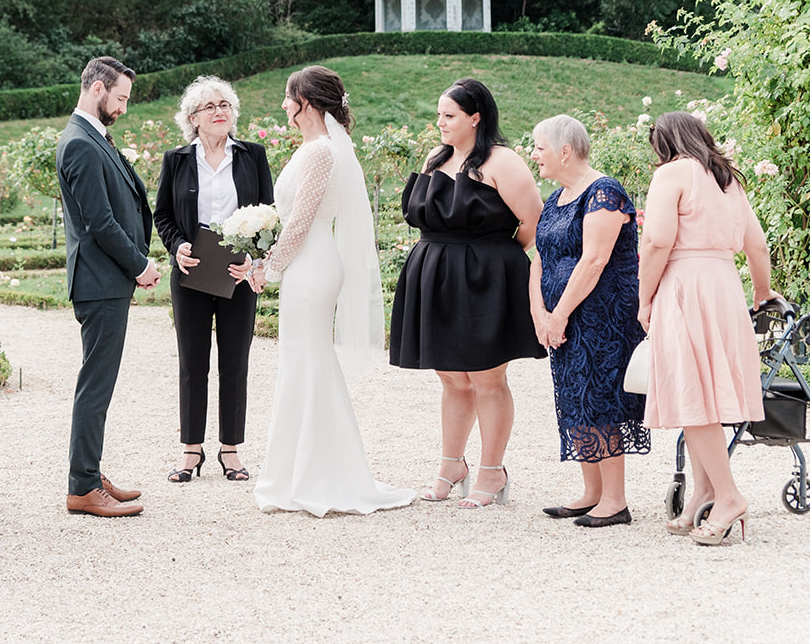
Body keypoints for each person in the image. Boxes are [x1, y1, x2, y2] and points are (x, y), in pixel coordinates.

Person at [248, 66, 415, 517]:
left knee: (308, 360)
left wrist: (270, 268)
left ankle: (316, 475)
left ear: (307, 102)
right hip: (307, 260)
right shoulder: (314, 149)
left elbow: (301, 220)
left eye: (288, 97)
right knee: (303, 360)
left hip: (313, 264)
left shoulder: (321, 151)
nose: (283, 105)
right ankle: (299, 470)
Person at [388, 78, 544, 510]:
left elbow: (533, 221)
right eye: (439, 114)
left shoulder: (502, 161)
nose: (440, 122)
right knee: (452, 378)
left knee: (487, 378)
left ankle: (492, 471)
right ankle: (451, 466)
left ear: (475, 118)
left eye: (449, 115)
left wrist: (493, 261)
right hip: (434, 273)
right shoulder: (435, 158)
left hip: (485, 277)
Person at [639, 111, 781, 546]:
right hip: (723, 286)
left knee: (691, 392)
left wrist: (643, 298)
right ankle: (704, 491)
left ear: (664, 142)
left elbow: (658, 240)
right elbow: (756, 243)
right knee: (704, 393)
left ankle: (730, 495)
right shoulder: (727, 179)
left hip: (685, 284)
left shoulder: (671, 174)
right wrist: (763, 293)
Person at [153, 76, 274, 484]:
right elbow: (163, 216)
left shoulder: (253, 156)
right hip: (191, 269)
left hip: (237, 270)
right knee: (193, 361)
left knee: (235, 360)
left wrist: (254, 260)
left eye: (225, 104)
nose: (220, 111)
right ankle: (191, 450)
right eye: (211, 106)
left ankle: (231, 450)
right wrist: (177, 247)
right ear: (193, 118)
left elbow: (269, 213)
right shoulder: (177, 159)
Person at [529, 114, 648, 528]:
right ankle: (591, 491)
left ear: (565, 150)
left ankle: (615, 500)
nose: (533, 154)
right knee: (574, 394)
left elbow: (594, 259)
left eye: (539, 146)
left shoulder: (604, 193)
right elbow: (540, 258)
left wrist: (559, 313)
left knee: (600, 395)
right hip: (561, 318)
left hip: (601, 315)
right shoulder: (555, 198)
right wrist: (540, 314)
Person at [57, 56, 160, 517]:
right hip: (101, 281)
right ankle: (82, 486)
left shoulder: (93, 137)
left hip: (106, 281)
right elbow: (99, 221)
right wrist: (139, 264)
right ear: (97, 89)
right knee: (95, 385)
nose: (123, 107)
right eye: (120, 98)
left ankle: (91, 473)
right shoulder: (79, 142)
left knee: (99, 381)